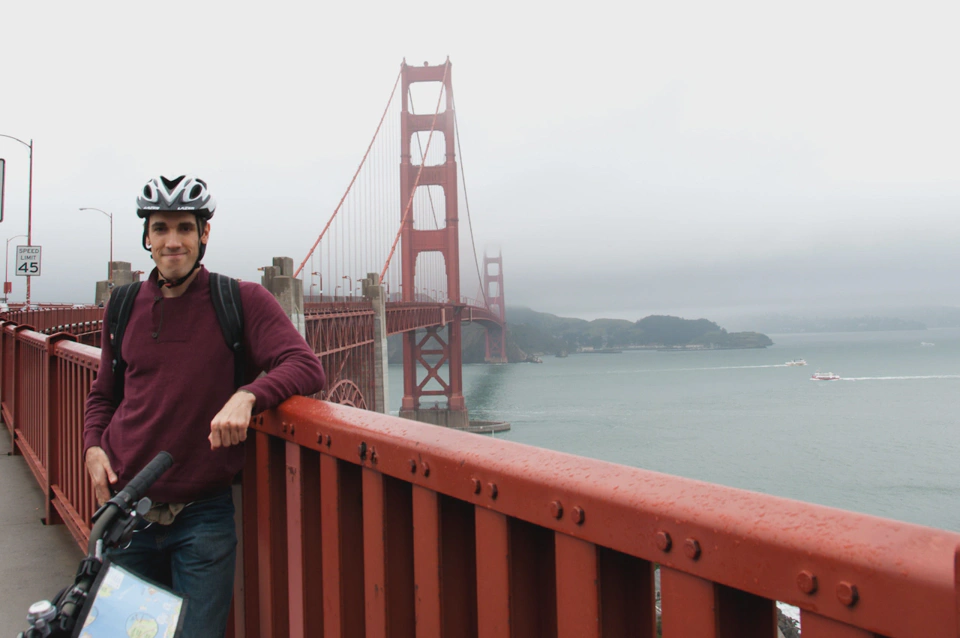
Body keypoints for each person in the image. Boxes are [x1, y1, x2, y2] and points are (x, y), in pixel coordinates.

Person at [83, 174, 325, 637]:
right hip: (126, 509)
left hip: (202, 516)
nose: (172, 241)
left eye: (184, 228)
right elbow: (104, 394)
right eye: (160, 228)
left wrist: (248, 395)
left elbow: (305, 365)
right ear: (147, 237)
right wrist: (93, 447)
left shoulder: (240, 300)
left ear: (204, 234)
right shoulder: (123, 304)